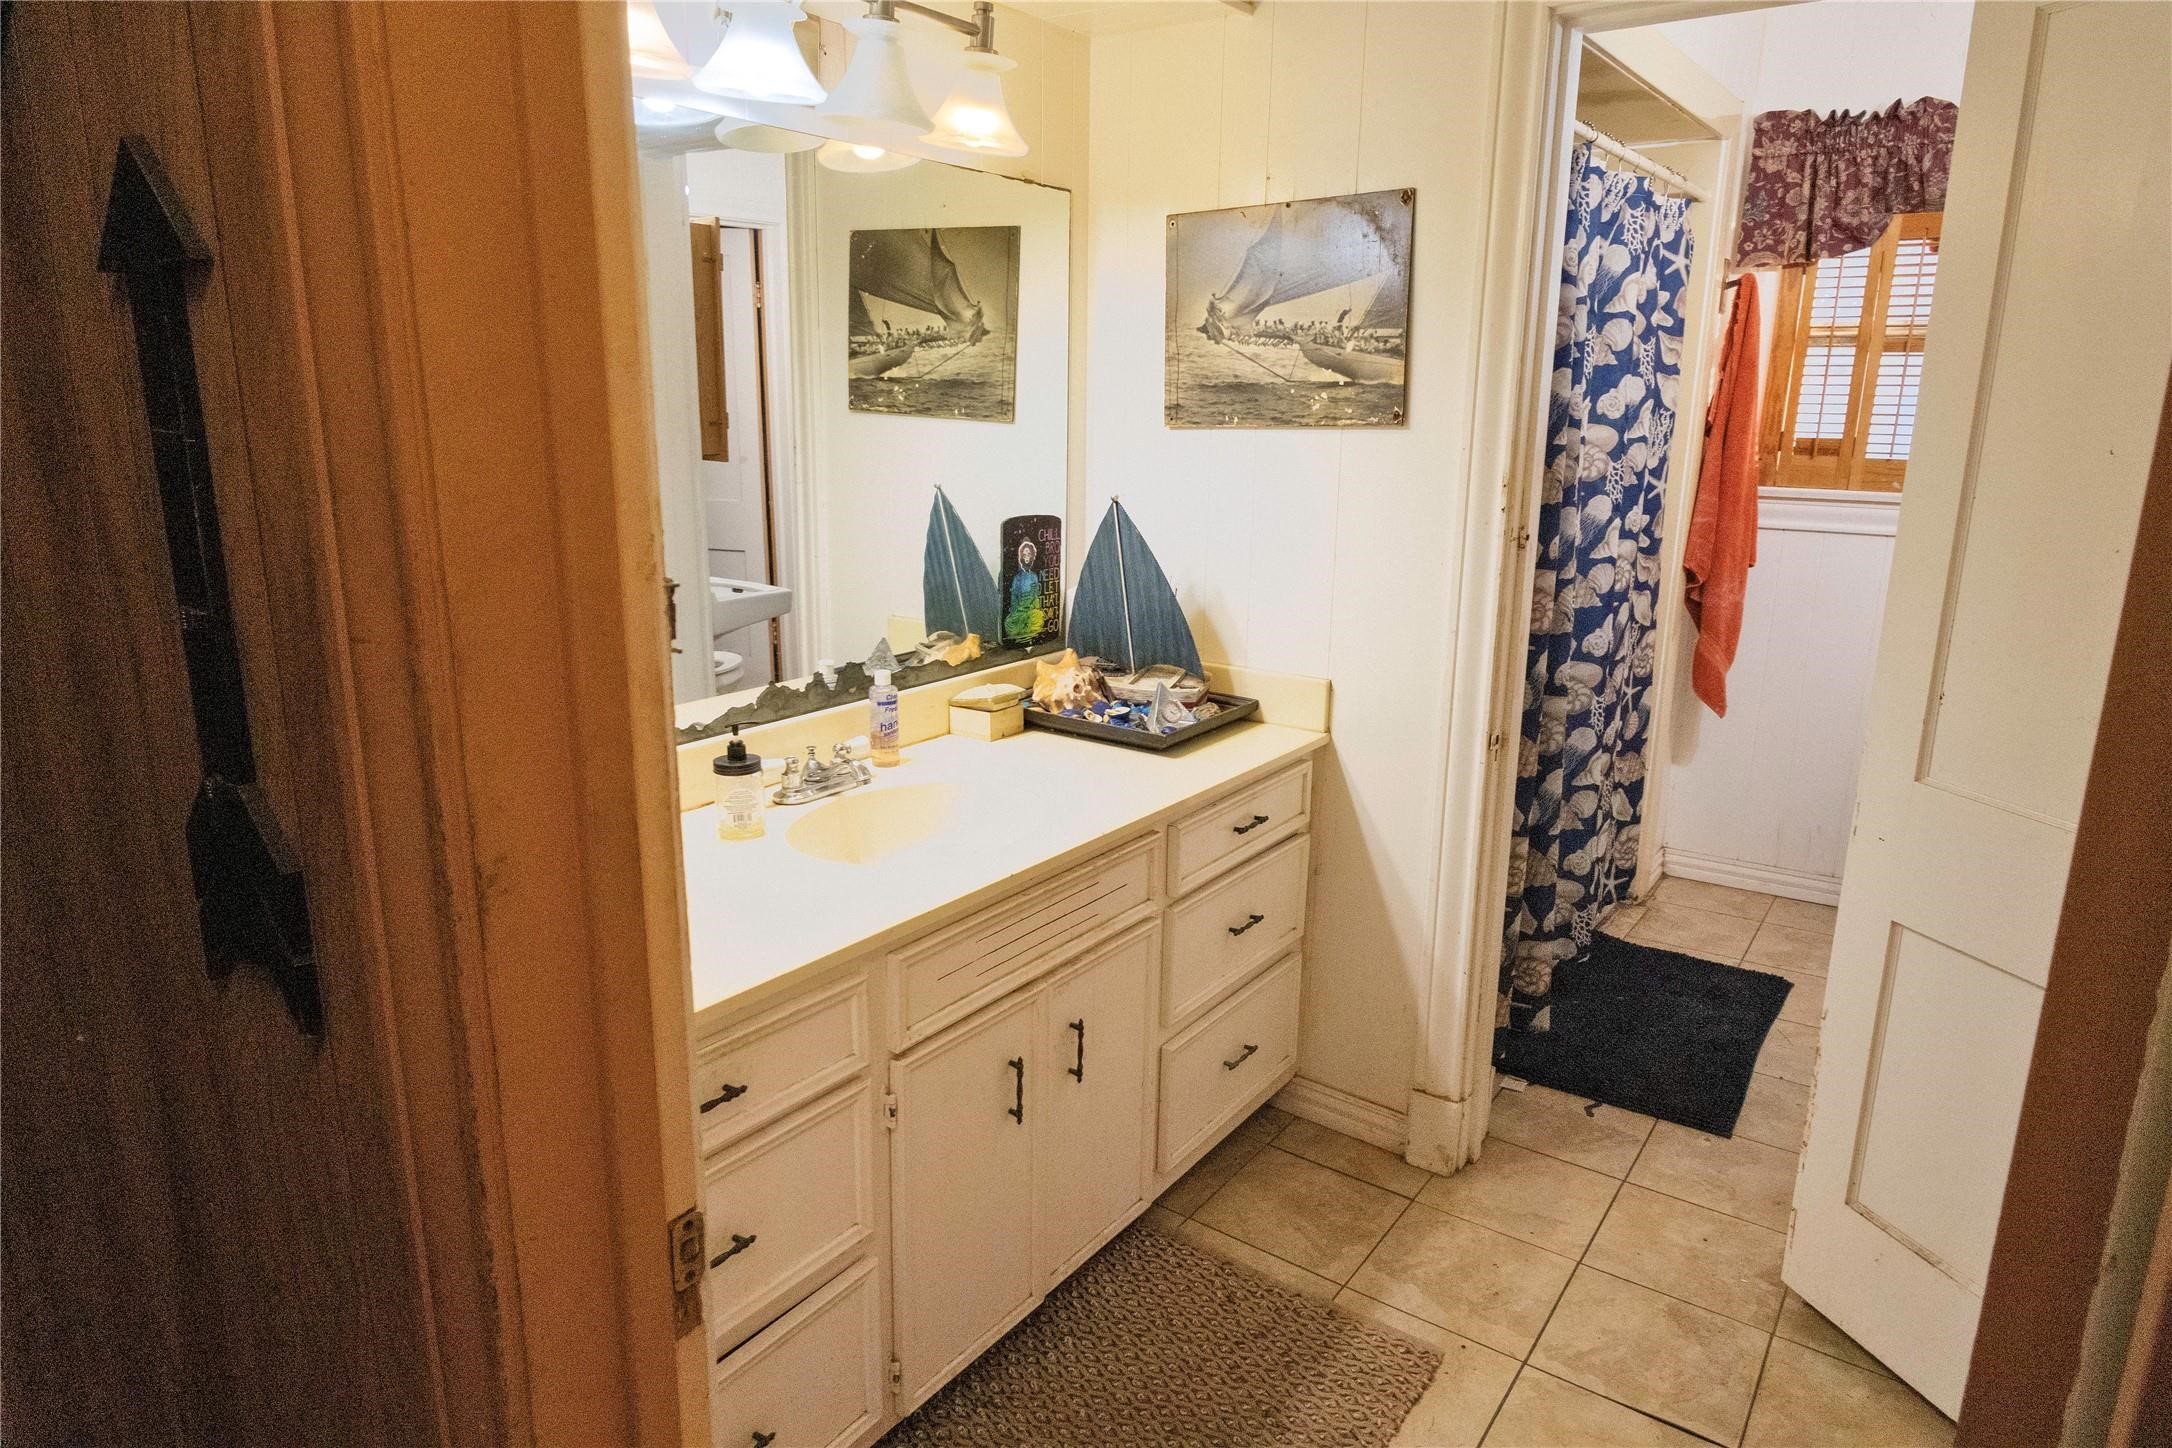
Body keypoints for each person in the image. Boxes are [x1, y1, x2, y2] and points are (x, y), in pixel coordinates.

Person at [1004, 539, 1045, 644]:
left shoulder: (1034, 576)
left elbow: (1035, 596)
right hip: (1019, 611)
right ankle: (1025, 632)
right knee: (1009, 624)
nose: (1027, 556)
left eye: (1029, 554)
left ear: (1032, 556)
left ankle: (1026, 632)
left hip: (1031, 611)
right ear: (1020, 557)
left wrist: (1034, 608)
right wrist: (1016, 611)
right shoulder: (1017, 578)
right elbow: (1014, 597)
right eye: (1024, 554)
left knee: (1038, 616)